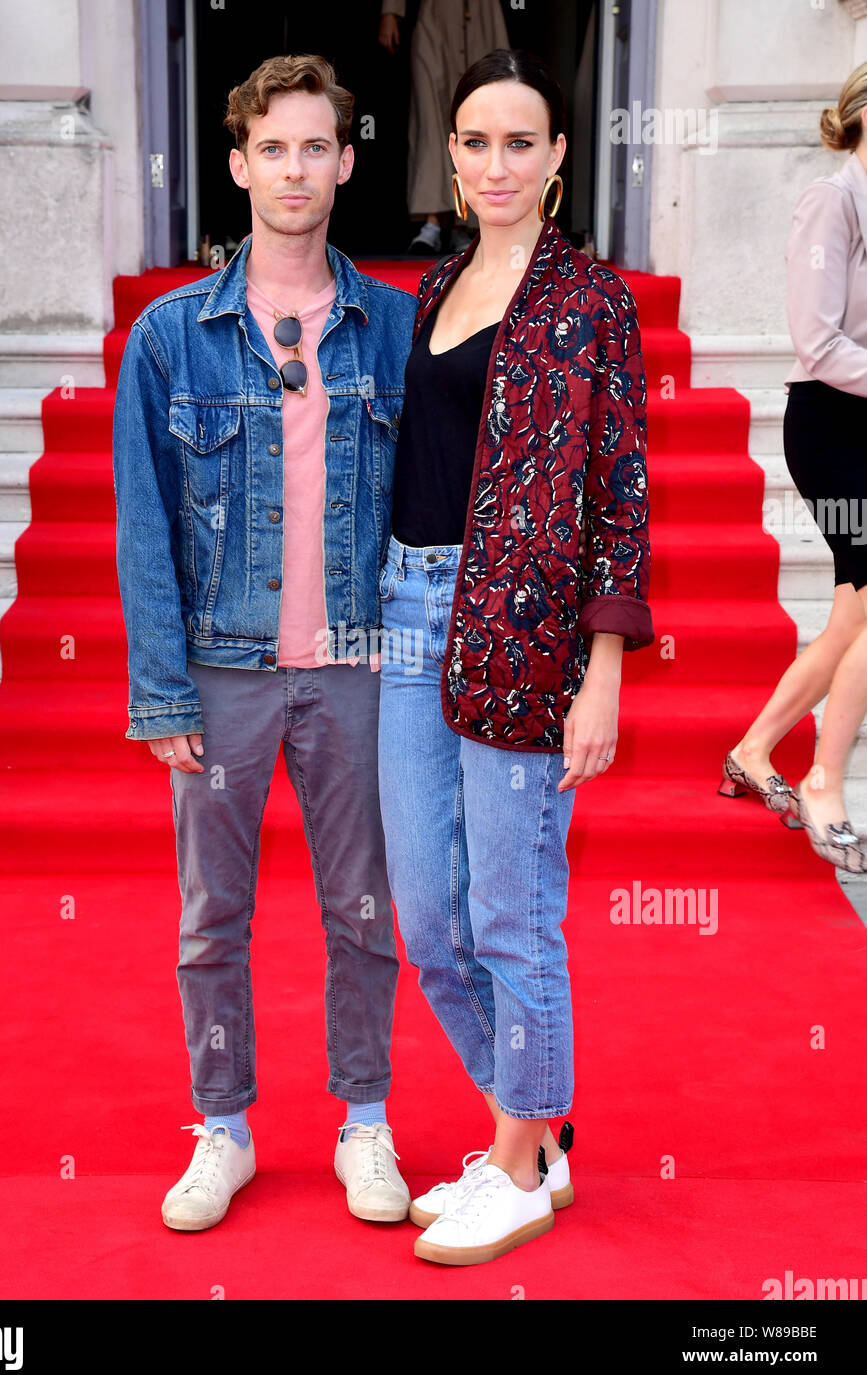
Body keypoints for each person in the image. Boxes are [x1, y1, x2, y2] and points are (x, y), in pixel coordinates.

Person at [112, 53, 418, 1231]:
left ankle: (365, 1122)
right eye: (271, 148)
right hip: (222, 668)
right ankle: (225, 1128)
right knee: (209, 916)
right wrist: (161, 694)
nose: (294, 169)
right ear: (238, 166)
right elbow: (145, 527)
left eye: (315, 147)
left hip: (353, 665)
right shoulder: (170, 336)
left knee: (360, 907)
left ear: (346, 163)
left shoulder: (394, 327)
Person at [376, 48, 653, 1266]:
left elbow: (620, 493)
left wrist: (604, 665)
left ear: (554, 159)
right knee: (426, 915)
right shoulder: (431, 287)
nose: (496, 163)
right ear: (450, 153)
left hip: (524, 633)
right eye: (475, 141)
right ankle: (535, 1133)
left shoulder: (590, 301)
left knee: (511, 913)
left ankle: (514, 1159)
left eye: (519, 142)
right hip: (405, 608)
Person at [720, 61, 867, 874]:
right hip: (831, 428)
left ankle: (752, 750)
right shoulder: (831, 201)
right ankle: (823, 780)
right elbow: (818, 344)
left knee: (852, 617)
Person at [379, 0, 509, 254]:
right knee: (430, 121)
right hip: (435, 18)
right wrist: (391, 12)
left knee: (477, 119)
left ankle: (465, 224)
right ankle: (433, 221)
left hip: (482, 19)